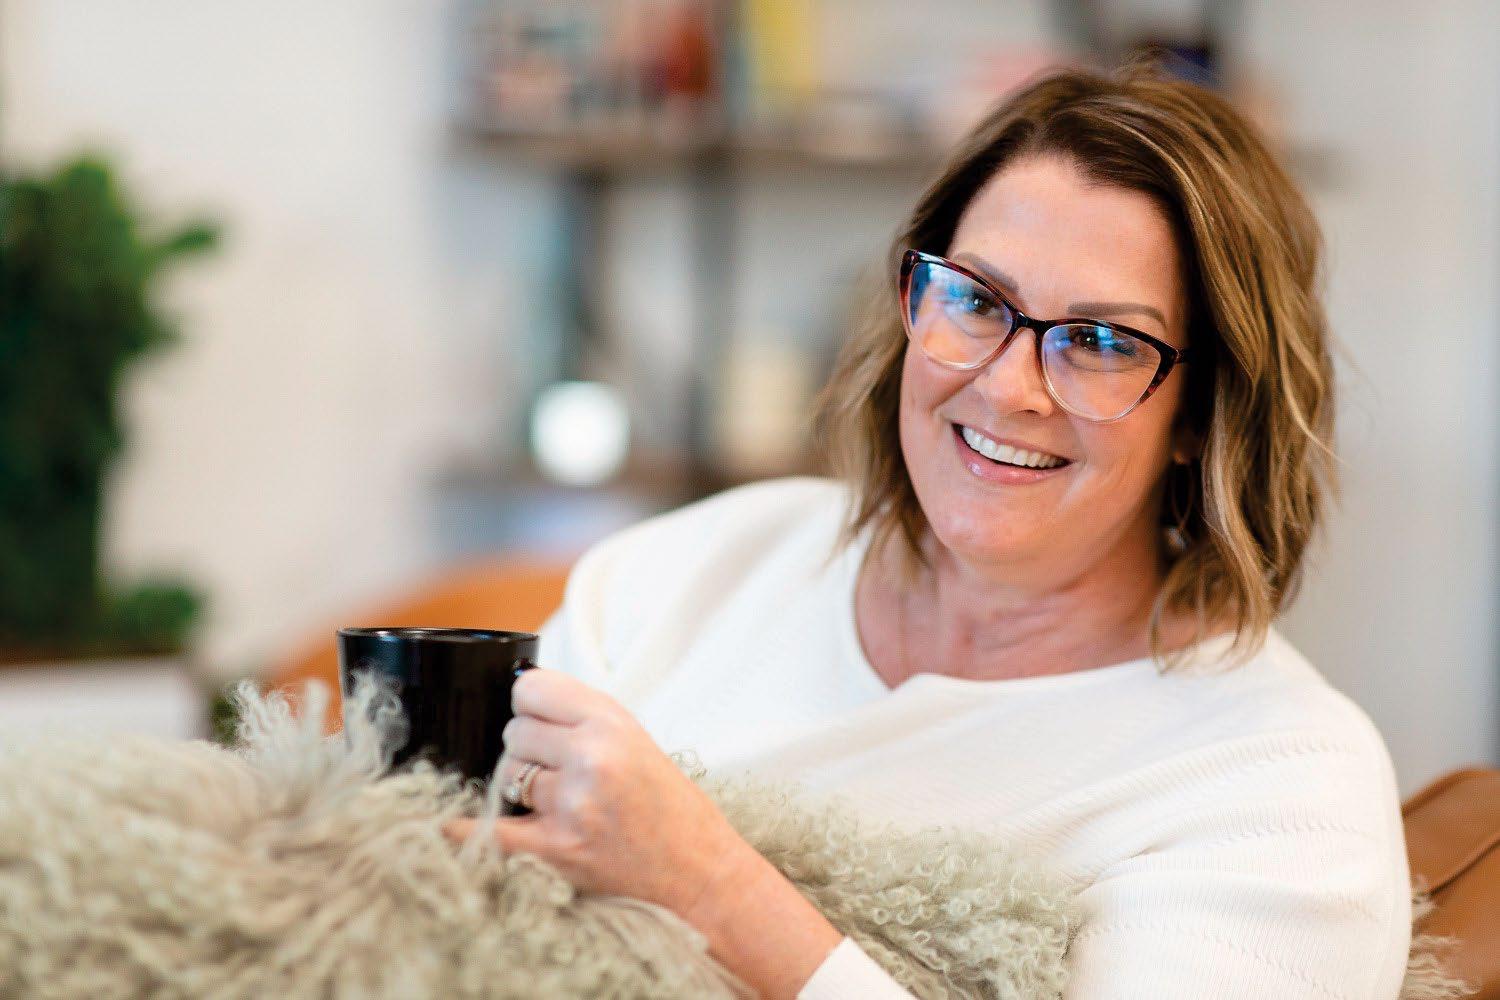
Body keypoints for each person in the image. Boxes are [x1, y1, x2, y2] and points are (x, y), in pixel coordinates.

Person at [447, 63, 1411, 999]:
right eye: (978, 301)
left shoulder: (1280, 785)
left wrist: (706, 885)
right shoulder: (689, 568)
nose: (1006, 386)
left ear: (1204, 414)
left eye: (1100, 342)